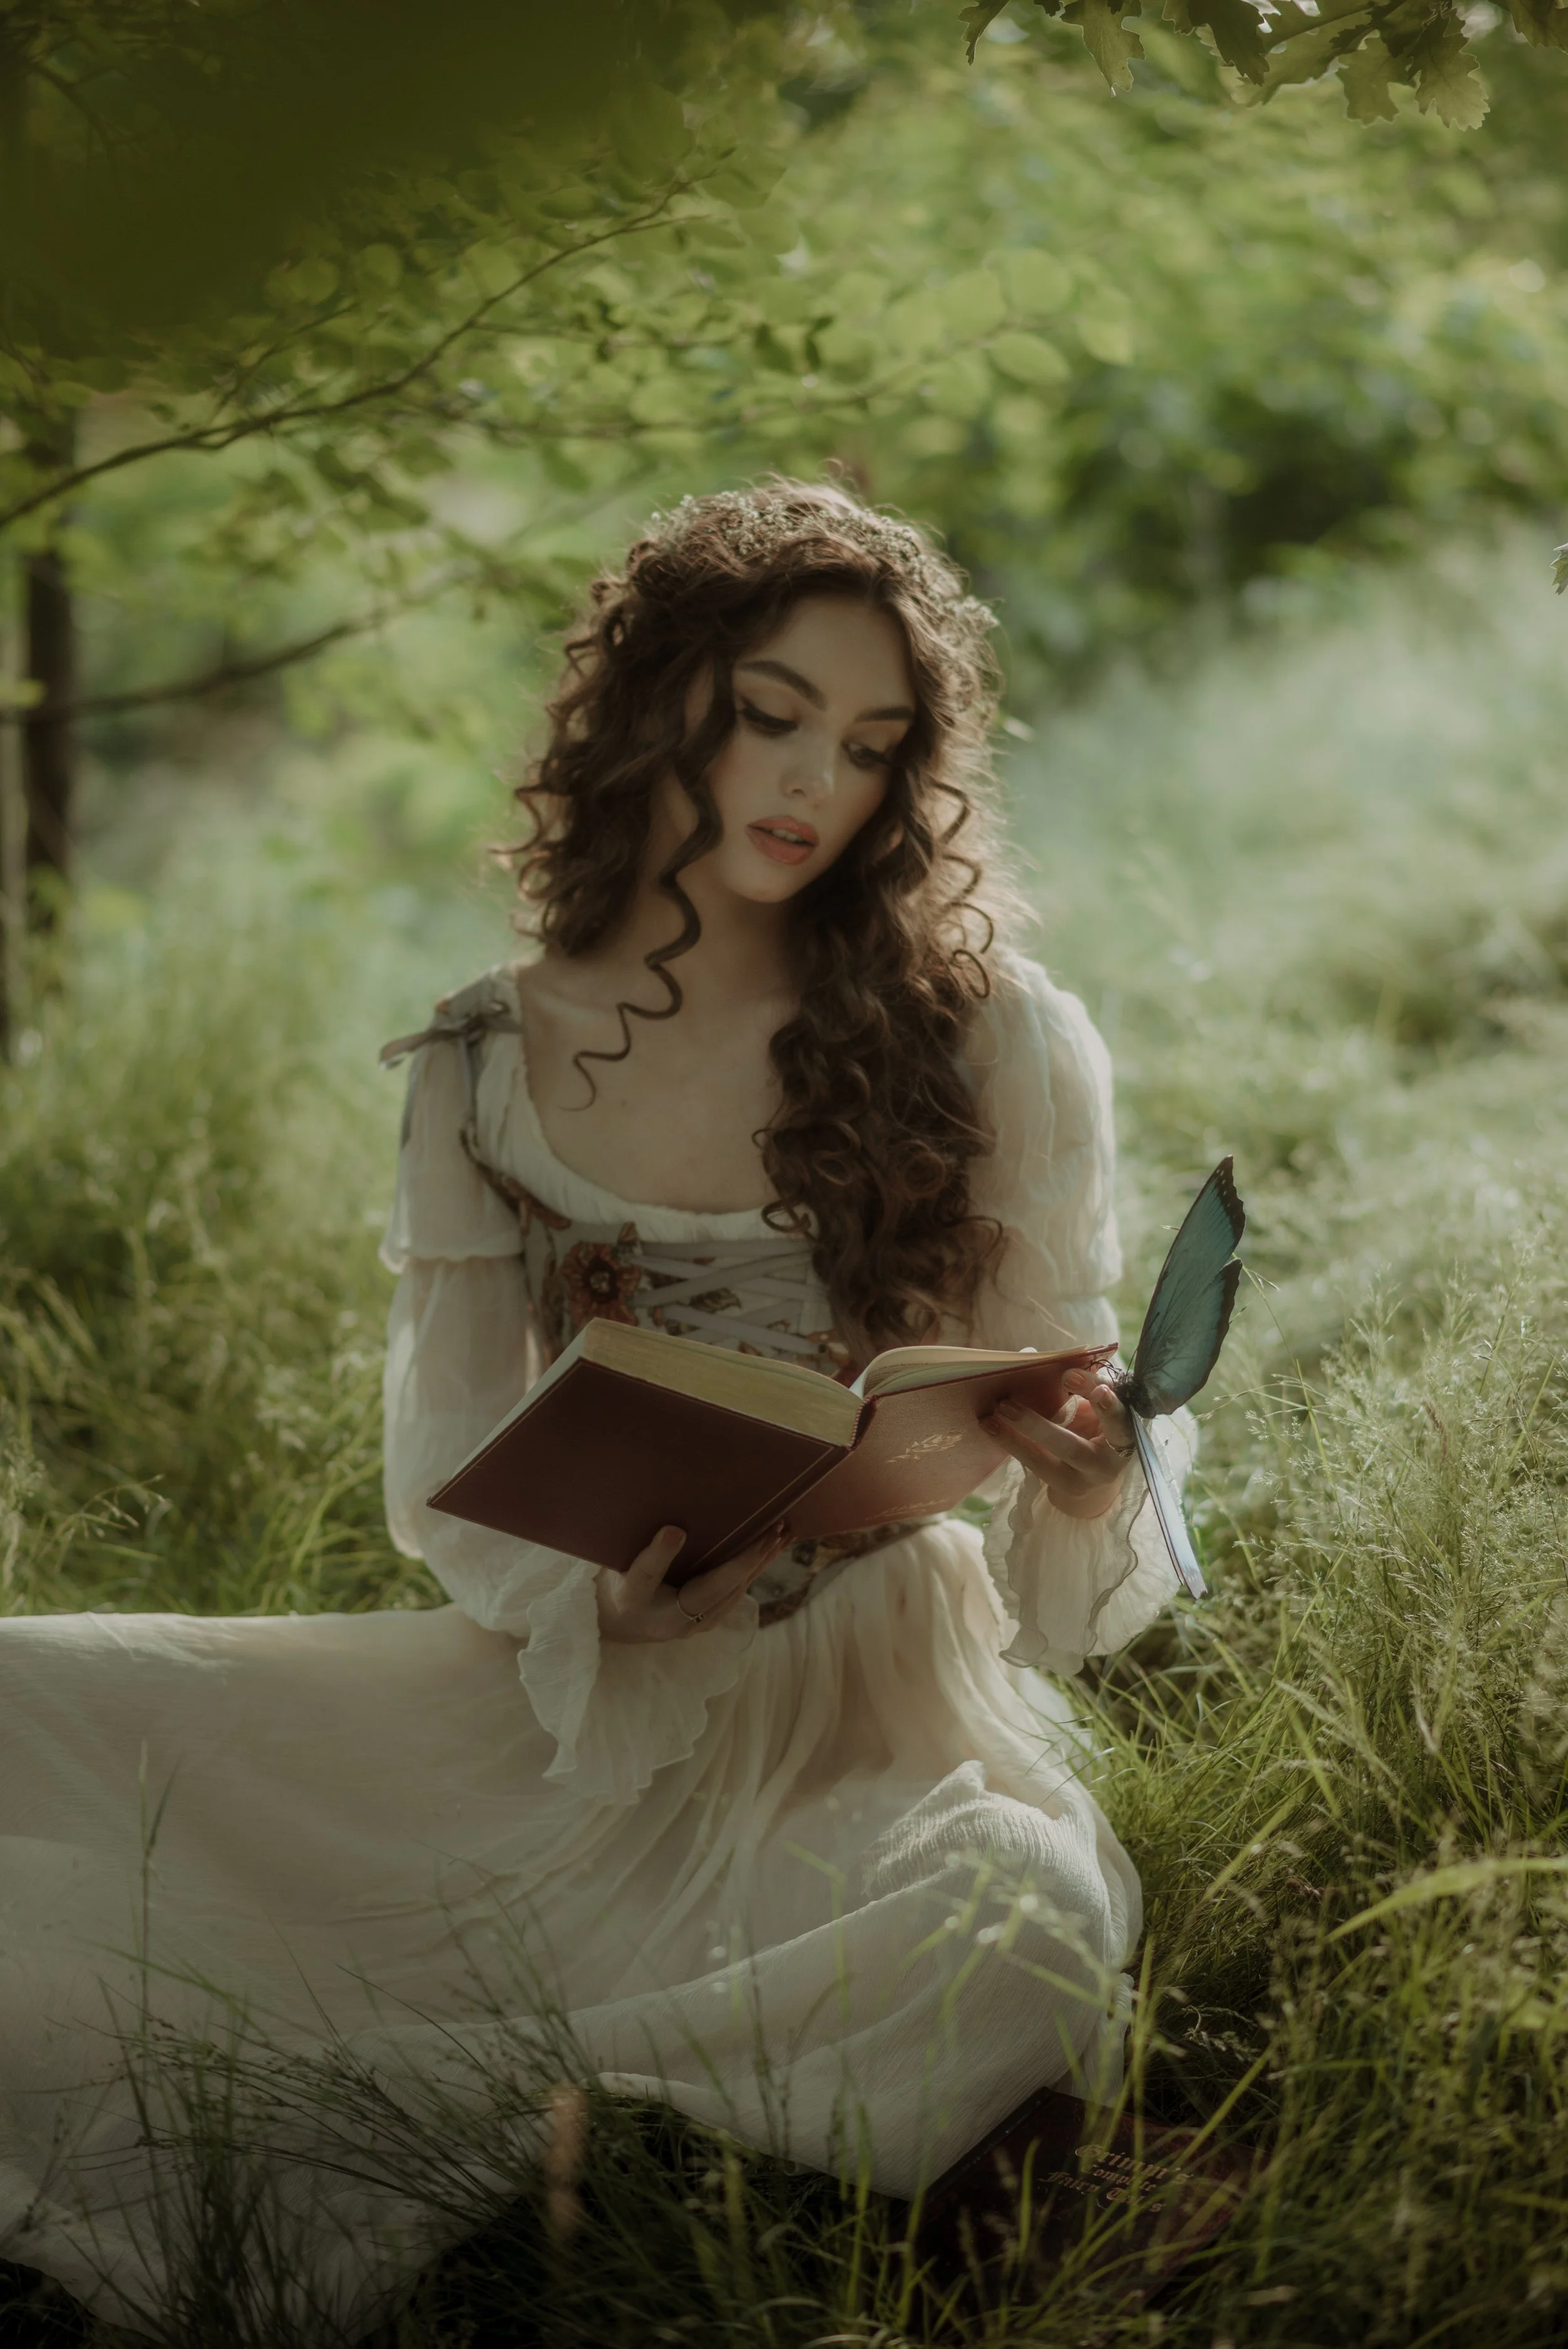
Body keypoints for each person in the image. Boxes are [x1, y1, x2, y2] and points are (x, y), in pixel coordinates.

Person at [0, 482, 1188, 2342]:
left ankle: (780, 2136)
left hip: (869, 1706)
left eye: (872, 746)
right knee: (28, 1707)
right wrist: (592, 1613)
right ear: (658, 702)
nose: (817, 781)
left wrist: (1085, 1460)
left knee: (1011, 1905)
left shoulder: (996, 1031)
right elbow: (453, 1473)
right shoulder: (481, 1059)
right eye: (772, 712)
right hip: (580, 1688)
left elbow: (1059, 1397)